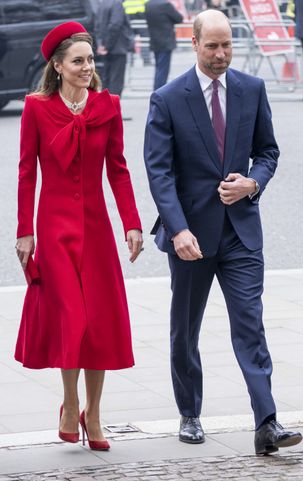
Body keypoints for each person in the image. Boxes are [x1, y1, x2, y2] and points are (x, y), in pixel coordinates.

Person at [144, 9, 303, 455]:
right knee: (185, 329)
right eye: (212, 45)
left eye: (227, 44)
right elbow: (159, 173)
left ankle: (267, 422)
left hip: (241, 234)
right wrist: (177, 230)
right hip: (191, 237)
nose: (220, 54)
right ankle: (190, 412)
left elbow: (268, 151)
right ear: (193, 43)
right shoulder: (168, 98)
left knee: (250, 326)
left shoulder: (252, 89)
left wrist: (255, 182)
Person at [15, 21, 143, 451]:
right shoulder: (36, 108)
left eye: (90, 59)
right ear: (57, 65)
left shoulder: (107, 106)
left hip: (96, 229)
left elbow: (119, 171)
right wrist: (24, 232)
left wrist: (131, 222)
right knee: (73, 319)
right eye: (78, 60)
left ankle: (96, 412)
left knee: (98, 324)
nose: (88, 67)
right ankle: (70, 405)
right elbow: (26, 173)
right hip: (53, 230)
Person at [96, 0, 134, 96]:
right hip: (117, 48)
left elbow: (97, 26)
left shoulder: (102, 4)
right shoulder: (117, 3)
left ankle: (105, 108)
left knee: (106, 80)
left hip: (106, 48)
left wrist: (100, 44)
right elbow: (115, 25)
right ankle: (112, 108)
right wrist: (107, 46)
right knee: (116, 82)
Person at [145, 0, 183, 90]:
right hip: (166, 40)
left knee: (158, 68)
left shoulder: (148, 5)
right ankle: (159, 92)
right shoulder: (165, 4)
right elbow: (179, 18)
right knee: (163, 70)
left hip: (154, 40)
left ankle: (156, 90)